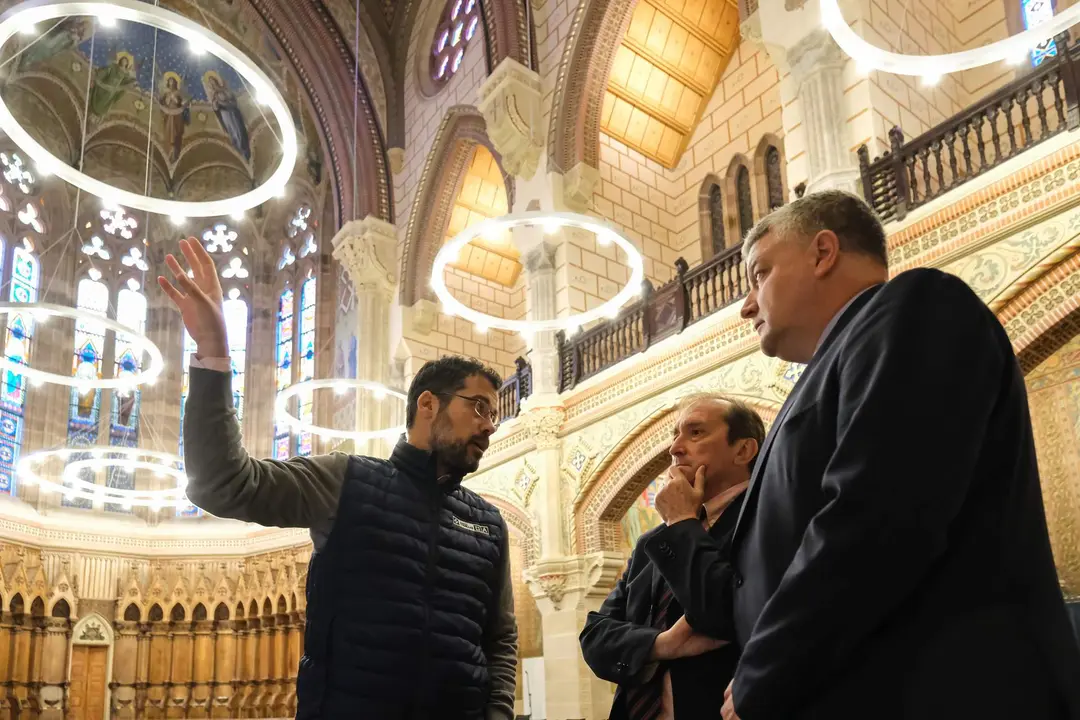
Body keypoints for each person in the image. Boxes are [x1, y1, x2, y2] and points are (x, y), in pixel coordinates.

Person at [657, 190, 1080, 720]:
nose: (745, 306)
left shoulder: (914, 305)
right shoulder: (817, 380)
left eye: (758, 274)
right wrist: (680, 529)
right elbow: (740, 601)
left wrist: (764, 673)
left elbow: (879, 516)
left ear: (822, 252)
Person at [157, 237, 518, 720]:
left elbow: (499, 638)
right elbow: (222, 482)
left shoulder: (489, 523)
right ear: (428, 405)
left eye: (493, 413)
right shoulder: (345, 482)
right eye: (478, 407)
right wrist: (213, 353)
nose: (489, 424)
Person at [579, 394, 765, 720]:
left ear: (743, 450)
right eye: (675, 435)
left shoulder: (764, 521)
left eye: (696, 433)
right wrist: (661, 644)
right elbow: (594, 637)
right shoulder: (652, 543)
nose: (675, 448)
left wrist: (681, 522)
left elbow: (723, 615)